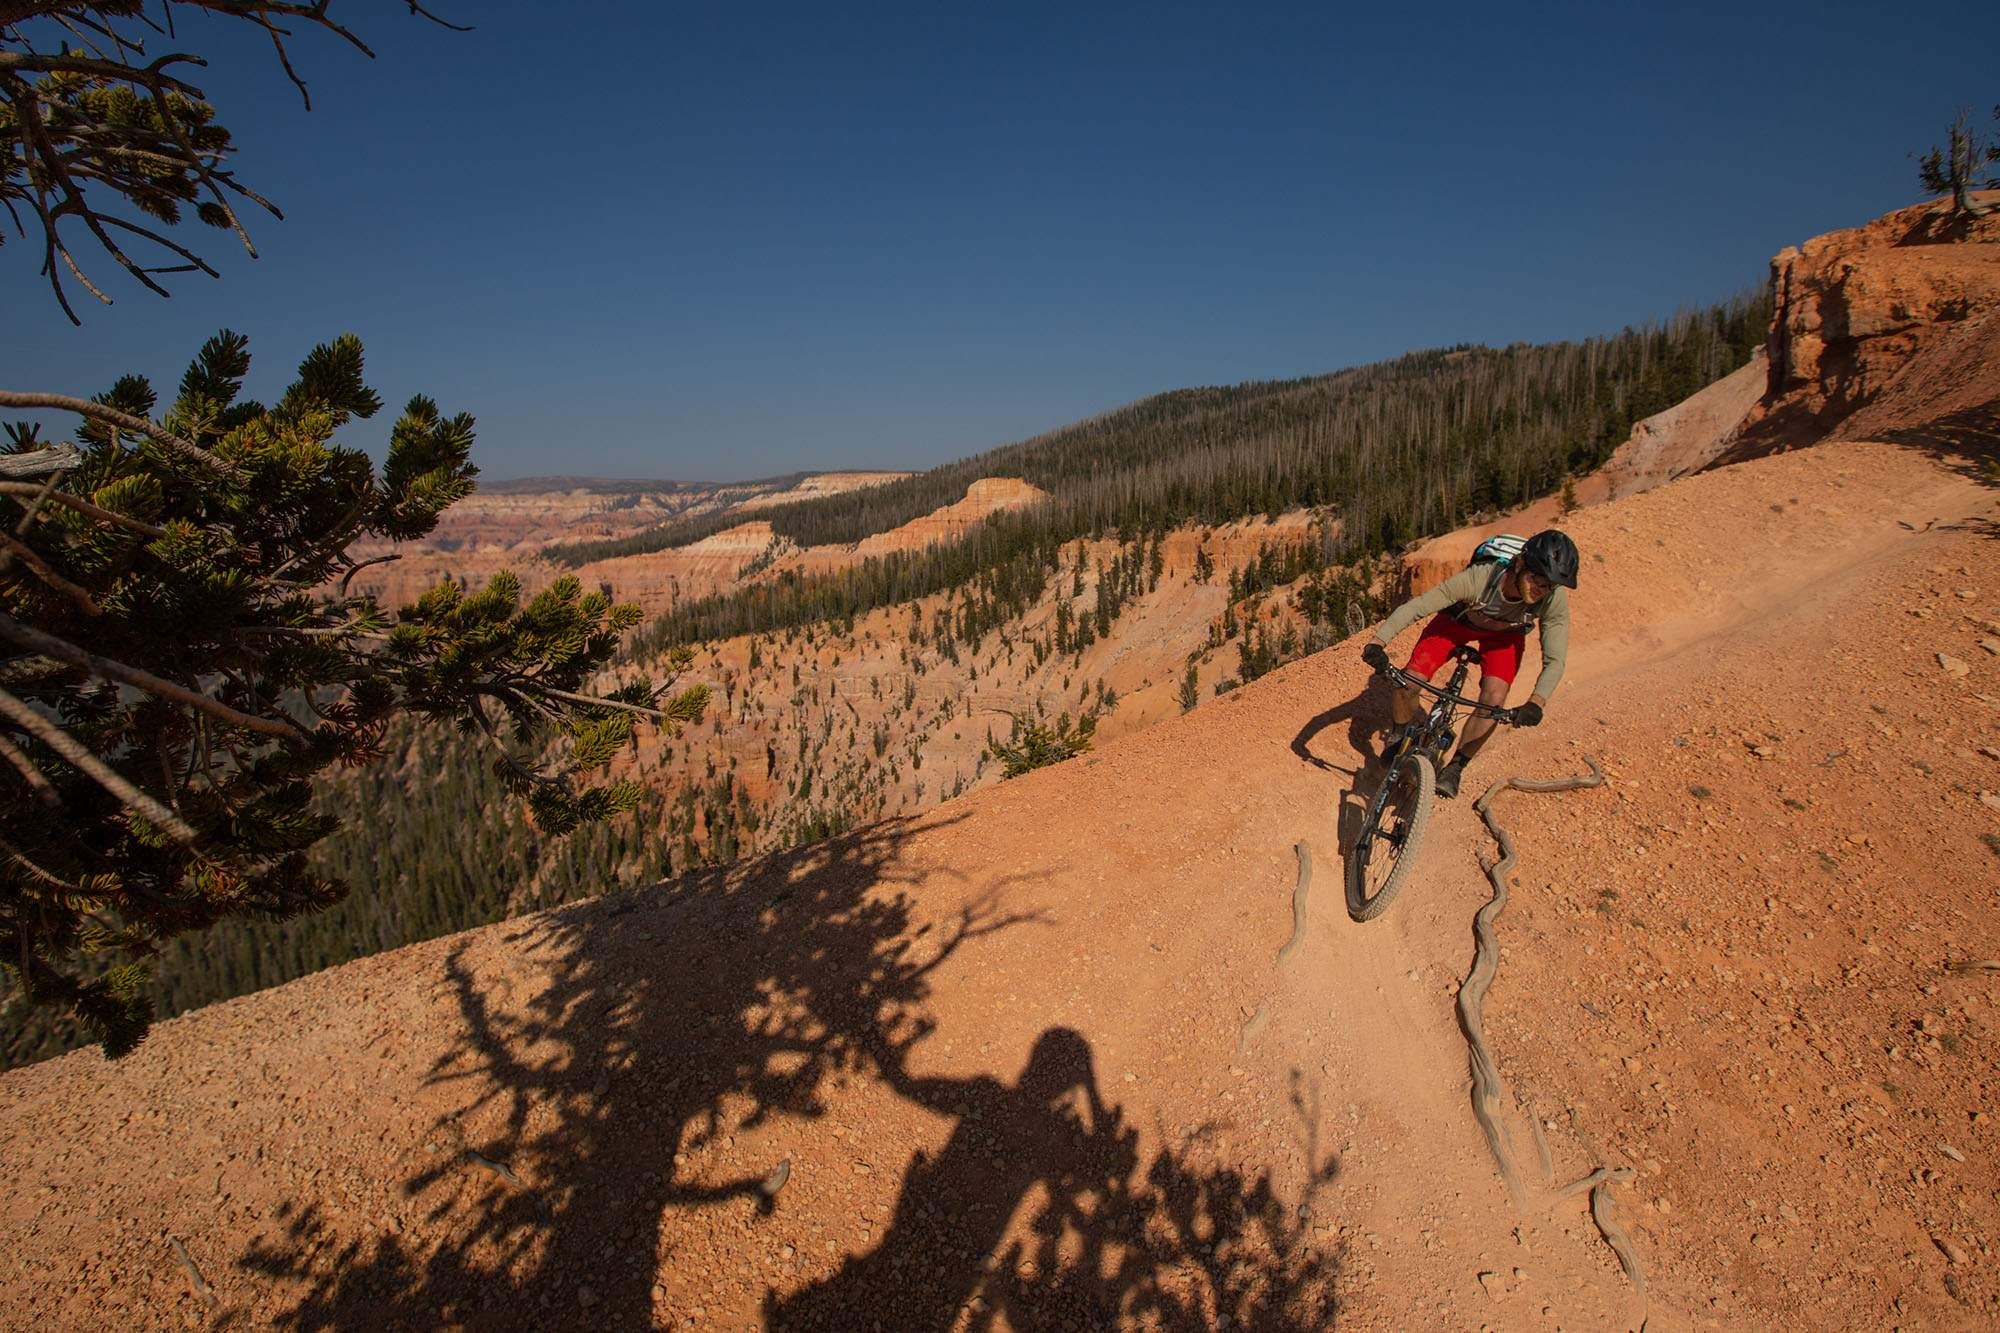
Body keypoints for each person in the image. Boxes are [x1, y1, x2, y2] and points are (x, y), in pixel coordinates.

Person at [1359, 529, 1578, 799]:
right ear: (1520, 564)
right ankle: (1399, 734)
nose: (1540, 590)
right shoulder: (1480, 578)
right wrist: (1378, 642)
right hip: (1455, 624)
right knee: (1410, 681)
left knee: (1494, 700)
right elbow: (1420, 606)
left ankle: (1456, 768)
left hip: (1504, 637)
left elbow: (1555, 659)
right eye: (1536, 579)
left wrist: (1537, 702)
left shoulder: (1552, 599)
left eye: (1549, 585)